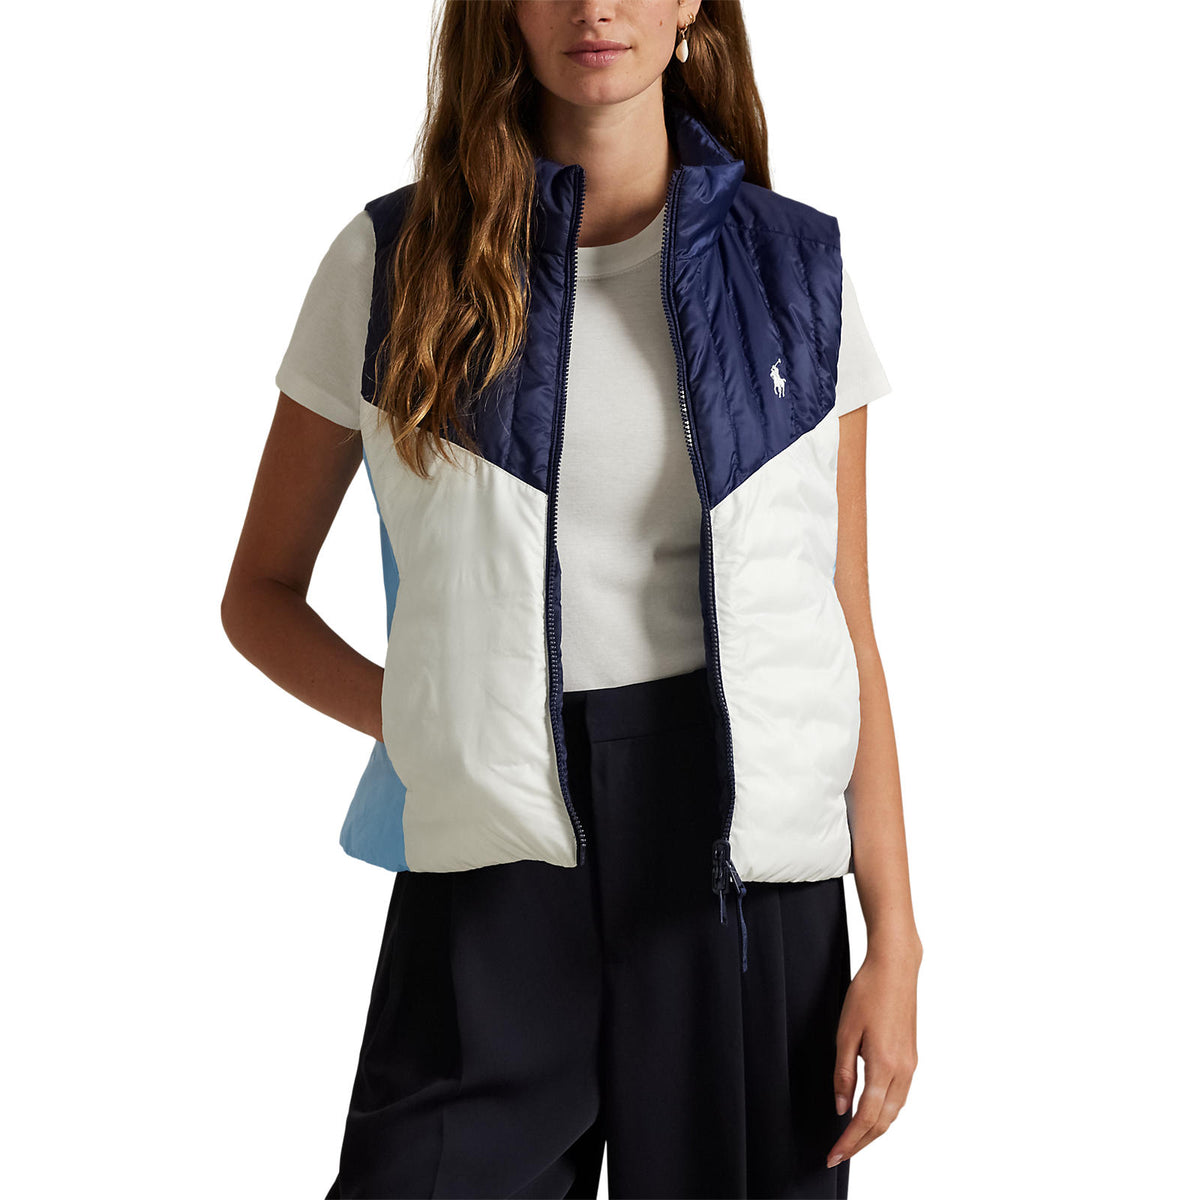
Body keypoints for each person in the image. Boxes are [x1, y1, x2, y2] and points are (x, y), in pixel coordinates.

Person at [221, 1, 922, 1196]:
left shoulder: (797, 271)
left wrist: (894, 937)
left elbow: (845, 628)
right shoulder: (394, 263)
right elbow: (260, 595)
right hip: (494, 862)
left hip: (741, 869)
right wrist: (433, 719)